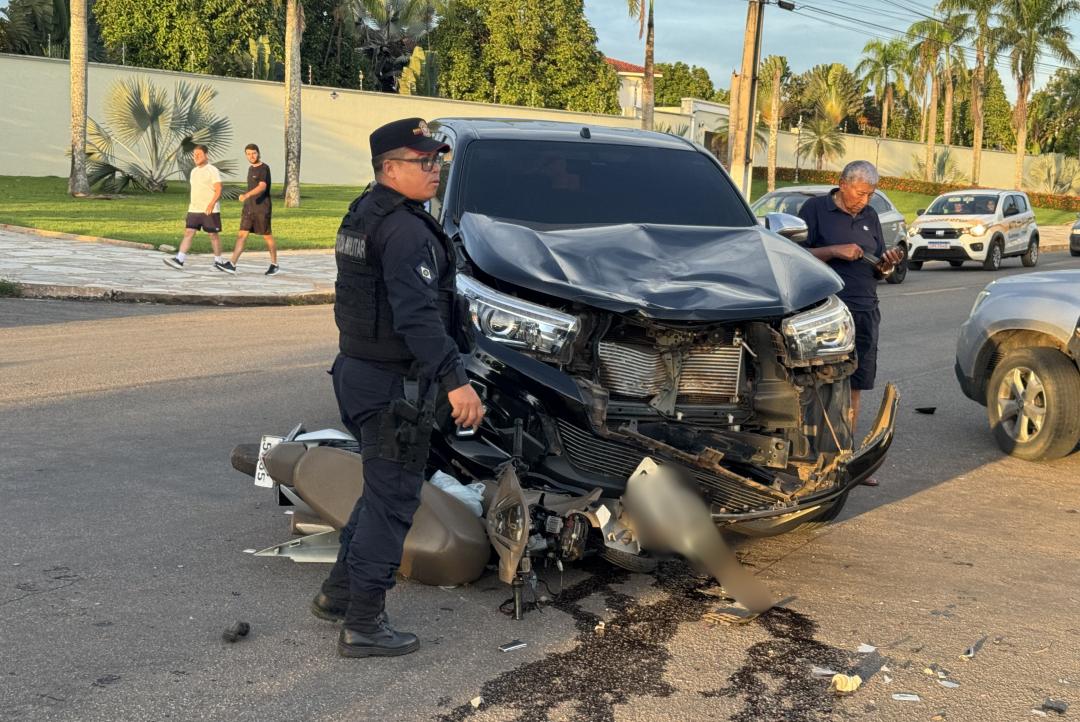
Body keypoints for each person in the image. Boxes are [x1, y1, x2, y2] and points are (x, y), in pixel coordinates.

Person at [310, 118, 484, 658]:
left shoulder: (367, 211)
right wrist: (457, 382)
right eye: (423, 162)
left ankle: (338, 595)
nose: (435, 170)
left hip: (360, 373)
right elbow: (417, 318)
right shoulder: (405, 229)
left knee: (381, 491)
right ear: (390, 169)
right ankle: (364, 623)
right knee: (393, 503)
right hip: (390, 386)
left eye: (437, 161)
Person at [797, 160, 902, 486]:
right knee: (818, 385)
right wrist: (834, 251)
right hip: (825, 311)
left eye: (870, 195)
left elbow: (877, 268)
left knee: (855, 386)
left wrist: (885, 264)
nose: (865, 201)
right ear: (842, 183)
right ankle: (808, 461)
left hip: (865, 309)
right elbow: (793, 254)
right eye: (860, 193)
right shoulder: (814, 210)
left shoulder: (870, 216)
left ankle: (846, 462)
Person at [215, 144, 279, 276]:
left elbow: (262, 186)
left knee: (267, 236)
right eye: (248, 154)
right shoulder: (250, 169)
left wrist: (247, 195)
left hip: (262, 208)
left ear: (258, 153)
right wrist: (247, 199)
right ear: (246, 155)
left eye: (254, 153)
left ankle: (274, 264)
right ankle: (232, 264)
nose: (251, 156)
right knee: (241, 235)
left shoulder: (264, 168)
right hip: (249, 208)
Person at [164, 145, 225, 270]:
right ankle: (179, 259)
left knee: (213, 235)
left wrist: (211, 203)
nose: (195, 157)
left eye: (199, 154)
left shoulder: (212, 170)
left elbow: (219, 189)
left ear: (206, 155)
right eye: (194, 155)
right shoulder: (194, 171)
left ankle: (219, 262)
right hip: (194, 209)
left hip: (209, 209)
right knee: (189, 232)